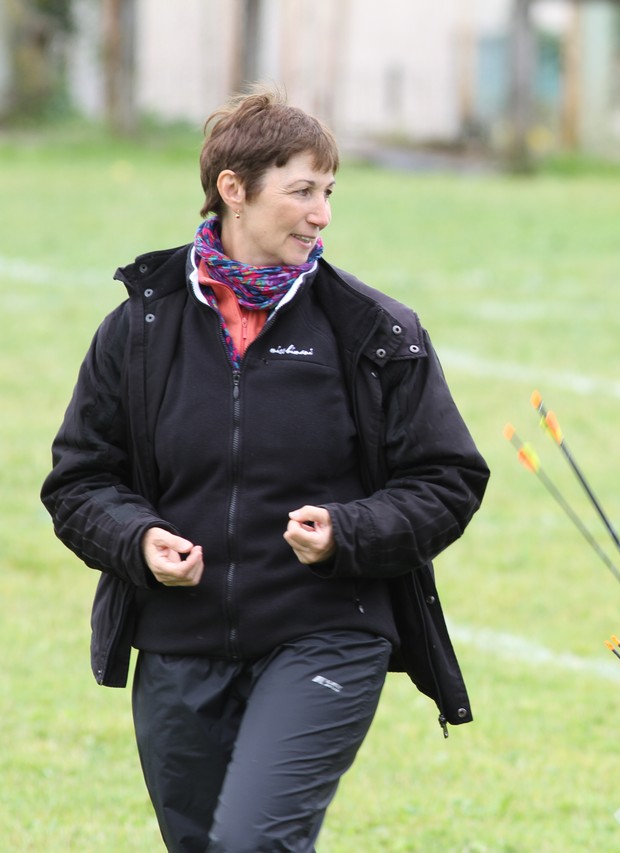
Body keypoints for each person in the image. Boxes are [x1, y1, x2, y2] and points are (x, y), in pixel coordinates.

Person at [41, 87, 489, 851]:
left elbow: (448, 477)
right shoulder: (139, 329)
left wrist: (348, 532)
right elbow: (78, 480)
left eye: (328, 193)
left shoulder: (374, 331)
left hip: (327, 633)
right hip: (179, 644)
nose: (322, 214)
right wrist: (140, 539)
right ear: (233, 190)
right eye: (302, 191)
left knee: (254, 841)